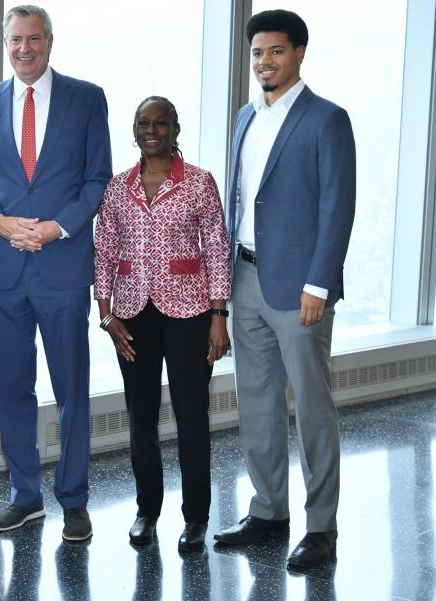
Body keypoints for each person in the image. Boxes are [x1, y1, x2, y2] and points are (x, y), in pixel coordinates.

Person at [213, 9, 356, 569]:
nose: (264, 62)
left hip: (301, 290)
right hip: (245, 277)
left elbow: (336, 207)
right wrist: (223, 287)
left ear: (298, 53)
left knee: (314, 409)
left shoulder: (327, 120)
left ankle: (322, 528)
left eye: (275, 51)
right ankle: (269, 512)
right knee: (257, 404)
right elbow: (240, 202)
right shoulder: (245, 116)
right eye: (257, 54)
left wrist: (319, 283)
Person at [0, 4, 112, 542]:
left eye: (33, 39)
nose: (24, 49)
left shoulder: (86, 97)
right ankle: (24, 496)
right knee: (12, 388)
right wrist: (0, 222)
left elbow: (98, 179)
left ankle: (74, 499)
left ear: (50, 42)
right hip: (3, 269)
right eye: (15, 41)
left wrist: (57, 228)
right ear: (5, 44)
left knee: (72, 386)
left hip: (63, 264)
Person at [94, 97, 231, 551]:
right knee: (141, 417)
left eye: (161, 123)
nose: (152, 130)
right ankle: (146, 510)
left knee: (192, 416)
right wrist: (106, 314)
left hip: (190, 313)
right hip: (132, 314)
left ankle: (196, 518)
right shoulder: (118, 188)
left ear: (175, 129)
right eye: (144, 123)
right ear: (134, 130)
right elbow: (105, 251)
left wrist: (218, 315)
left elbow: (216, 247)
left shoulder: (198, 183)